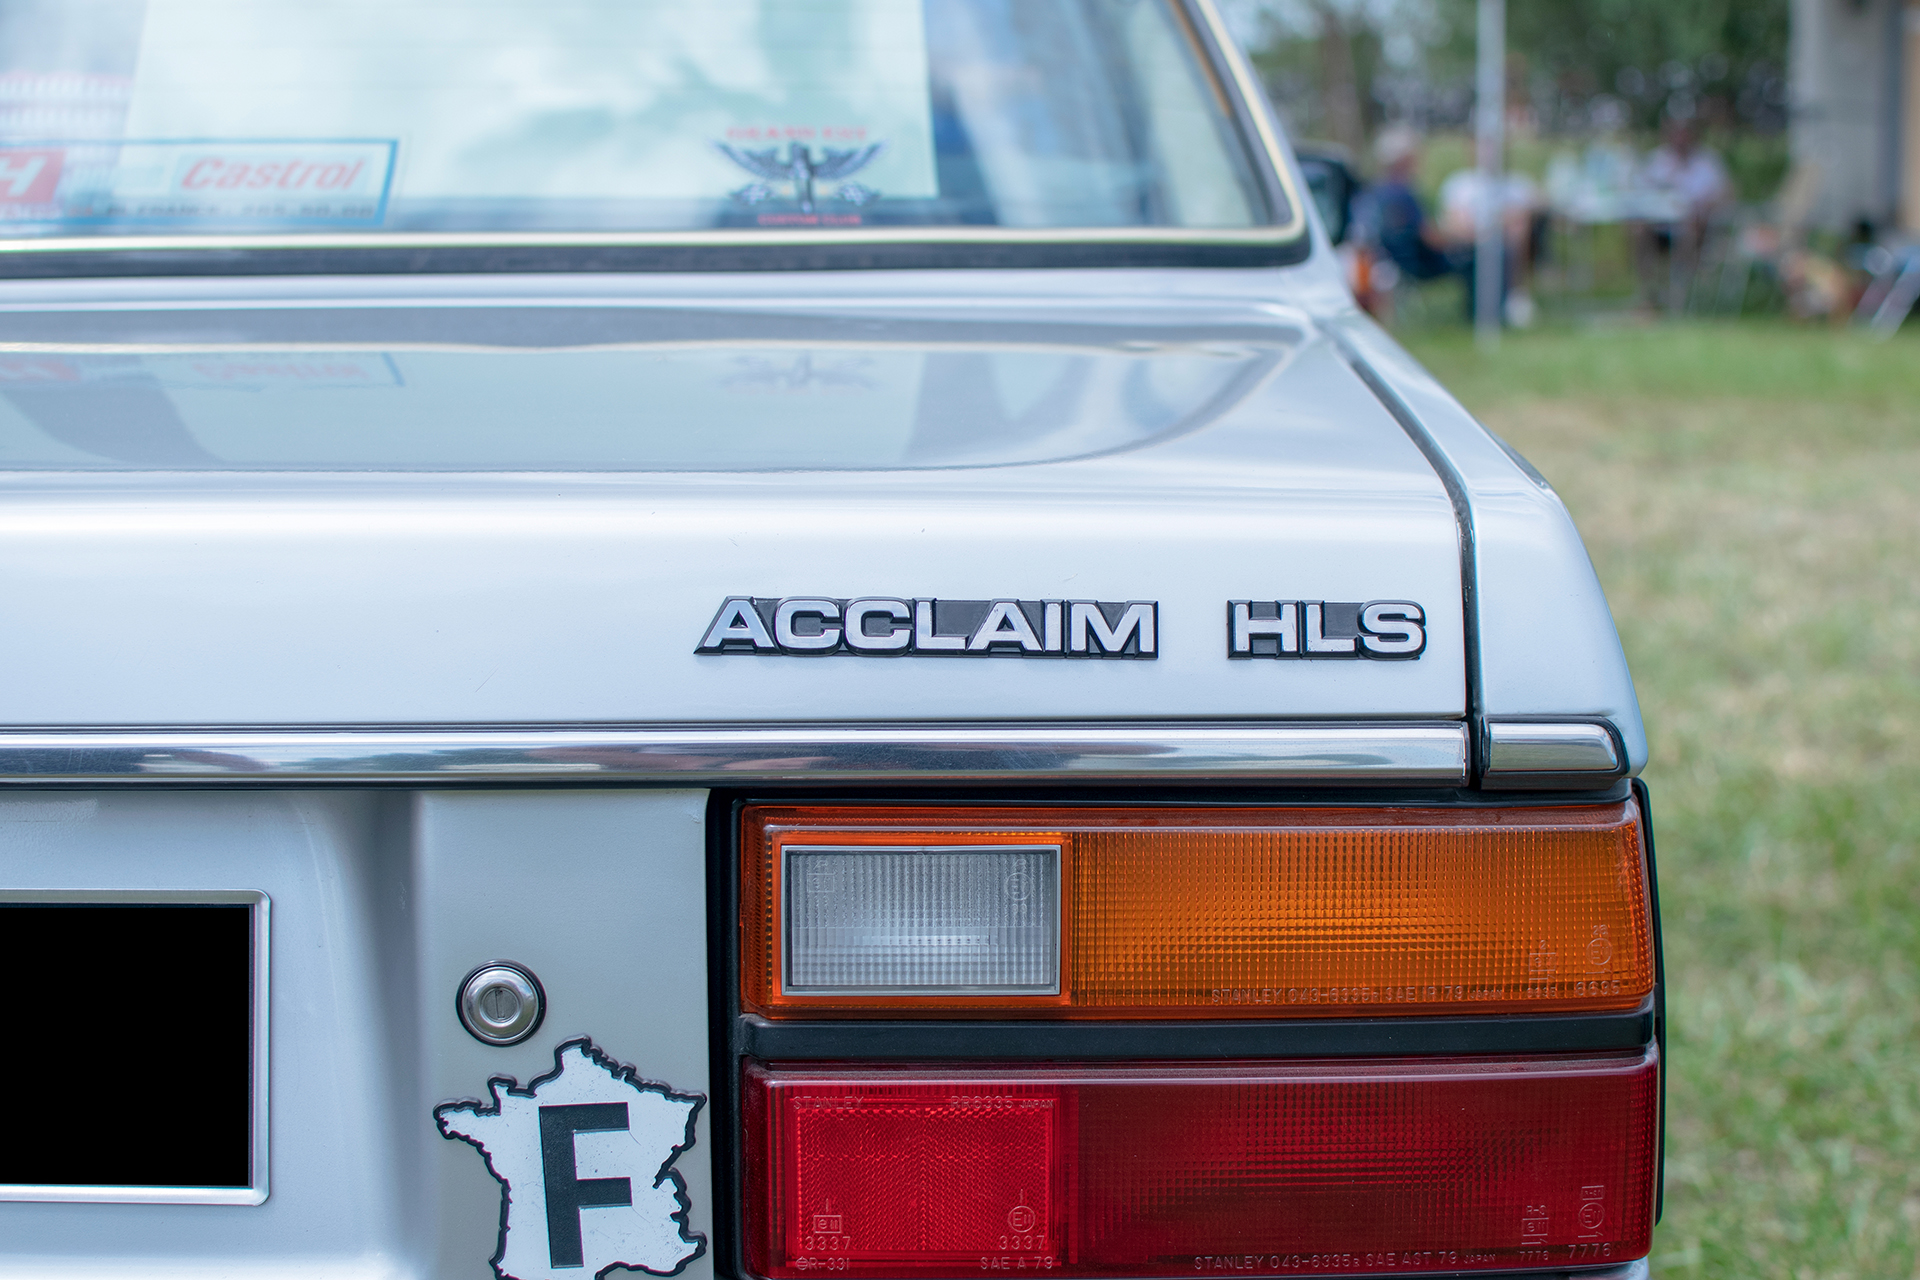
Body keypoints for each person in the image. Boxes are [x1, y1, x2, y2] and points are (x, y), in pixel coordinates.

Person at [1359, 124, 1503, 323]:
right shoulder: (1403, 194)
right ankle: (1482, 316)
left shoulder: (1376, 191)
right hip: (1418, 262)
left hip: (1392, 259)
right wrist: (1463, 238)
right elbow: (1430, 238)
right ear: (1404, 160)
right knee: (1480, 257)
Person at [1630, 118, 1732, 311]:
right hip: (1660, 228)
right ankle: (1648, 293)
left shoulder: (1708, 162)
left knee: (1689, 229)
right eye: (1676, 133)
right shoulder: (1656, 161)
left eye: (1684, 133)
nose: (1680, 138)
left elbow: (1726, 195)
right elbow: (1640, 194)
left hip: (1698, 229)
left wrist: (1705, 206)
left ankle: (1679, 295)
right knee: (1638, 231)